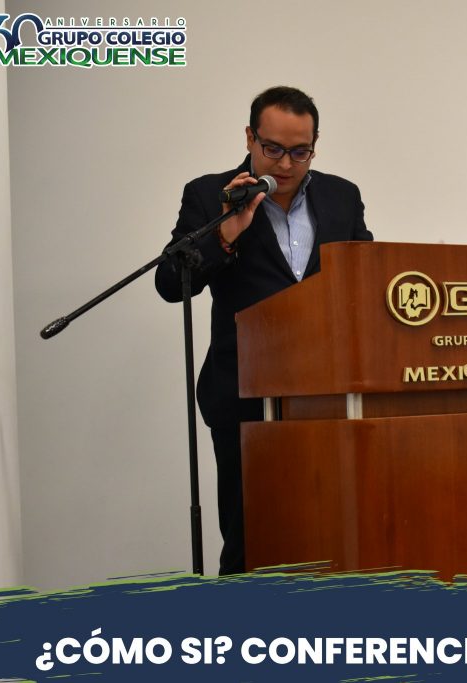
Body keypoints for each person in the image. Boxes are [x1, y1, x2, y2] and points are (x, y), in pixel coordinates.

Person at [155, 86, 373, 575]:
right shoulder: (210, 195)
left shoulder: (342, 196)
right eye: (273, 148)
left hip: (327, 395)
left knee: (329, 535)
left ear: (315, 146)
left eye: (300, 151)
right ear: (250, 137)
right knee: (250, 541)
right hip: (243, 396)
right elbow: (170, 283)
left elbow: (365, 277)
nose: (286, 163)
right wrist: (225, 234)